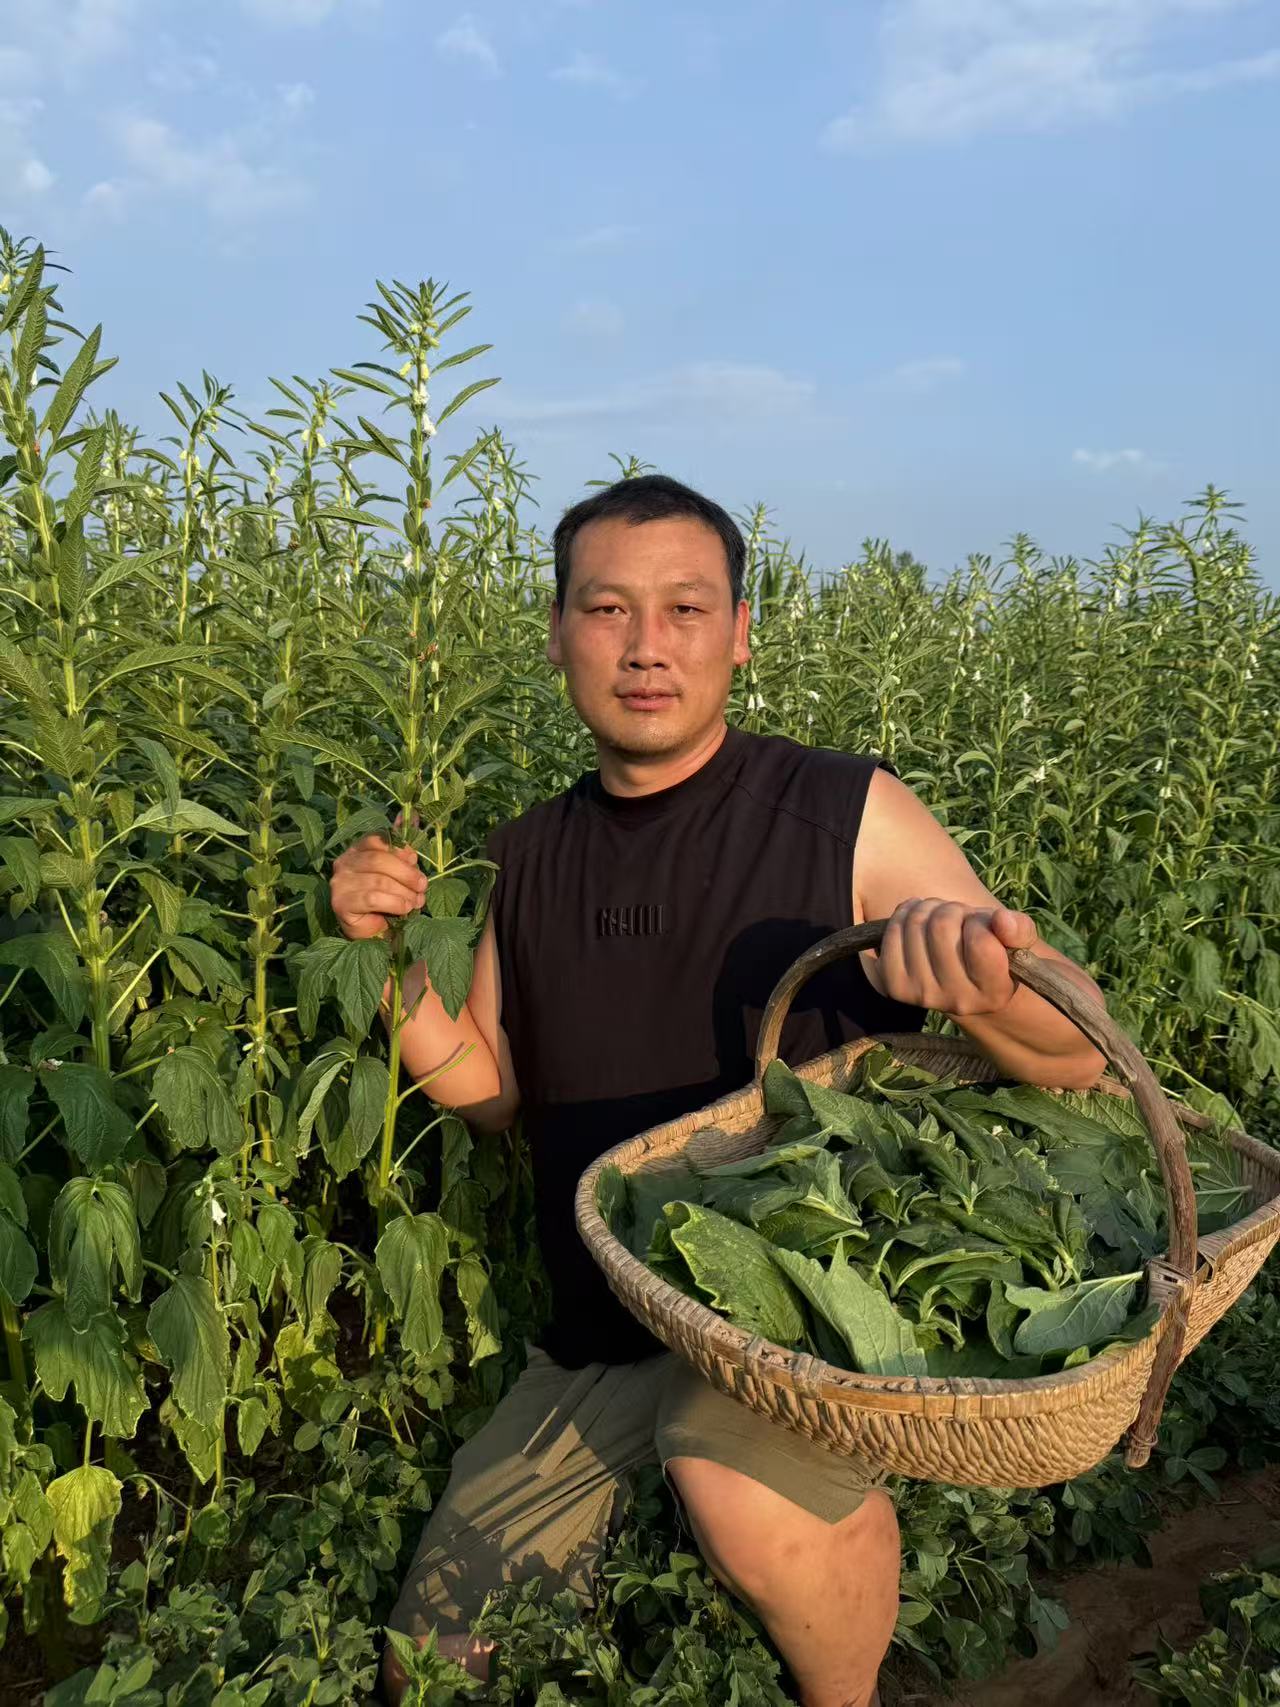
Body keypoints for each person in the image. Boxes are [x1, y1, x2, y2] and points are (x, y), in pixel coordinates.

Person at [328, 474, 1108, 1707]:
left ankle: (840, 1690)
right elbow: (488, 1094)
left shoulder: (843, 811)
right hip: (602, 1331)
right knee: (431, 1663)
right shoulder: (529, 856)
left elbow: (1079, 1049)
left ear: (741, 632)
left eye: (686, 609)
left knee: (731, 1478)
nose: (646, 647)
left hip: (793, 1335)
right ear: (556, 635)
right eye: (606, 609)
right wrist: (378, 957)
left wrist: (982, 984)